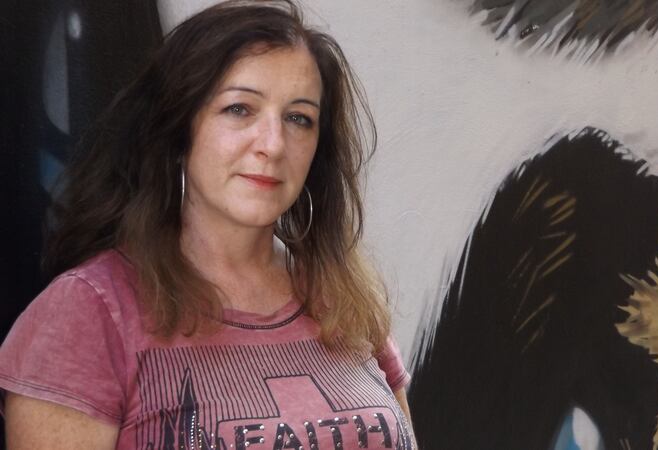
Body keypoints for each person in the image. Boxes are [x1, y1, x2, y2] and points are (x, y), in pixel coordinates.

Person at [0, 1, 416, 448]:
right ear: (179, 128)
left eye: (299, 118)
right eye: (240, 109)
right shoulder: (88, 312)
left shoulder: (343, 296)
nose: (274, 144)